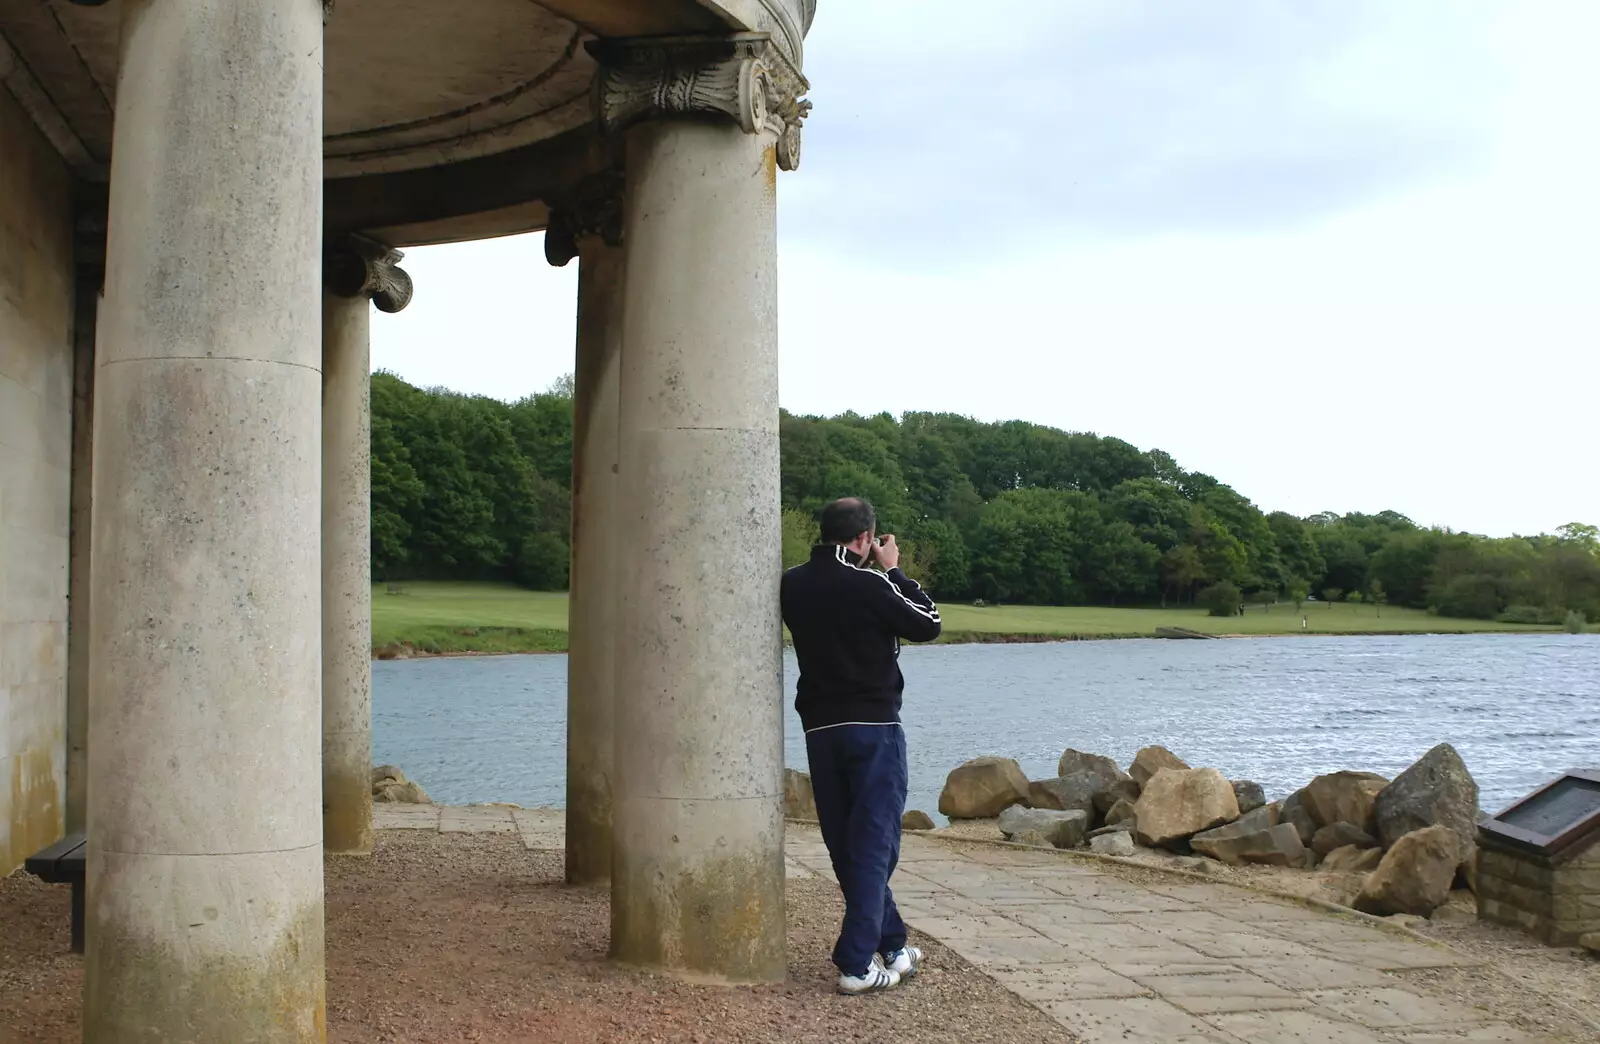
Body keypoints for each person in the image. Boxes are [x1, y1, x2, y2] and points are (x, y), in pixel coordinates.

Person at [780, 497, 942, 995]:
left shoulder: (792, 582)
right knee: (875, 843)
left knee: (847, 843)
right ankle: (854, 963)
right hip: (873, 726)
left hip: (820, 731)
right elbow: (928, 623)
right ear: (866, 539)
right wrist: (895, 571)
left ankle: (891, 945)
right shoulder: (870, 580)